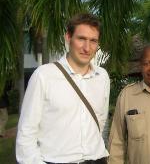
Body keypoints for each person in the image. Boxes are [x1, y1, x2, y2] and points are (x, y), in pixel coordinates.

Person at [16, 13, 110, 164]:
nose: (87, 47)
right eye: (81, 39)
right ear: (68, 37)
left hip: (97, 159)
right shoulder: (43, 76)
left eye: (93, 41)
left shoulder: (102, 76)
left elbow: (102, 122)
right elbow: (26, 133)